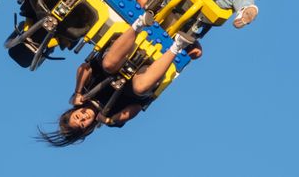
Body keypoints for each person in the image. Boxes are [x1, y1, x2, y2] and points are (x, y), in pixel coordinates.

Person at [37, 14, 194, 147]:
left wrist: (78, 92)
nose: (83, 117)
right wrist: (110, 119)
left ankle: (139, 24)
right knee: (140, 88)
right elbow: (136, 109)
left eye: (77, 117)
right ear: (87, 128)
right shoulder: (110, 119)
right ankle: (178, 45)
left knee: (108, 65)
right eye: (83, 123)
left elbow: (84, 68)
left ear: (74, 111)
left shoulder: (83, 94)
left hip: (118, 58)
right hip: (141, 74)